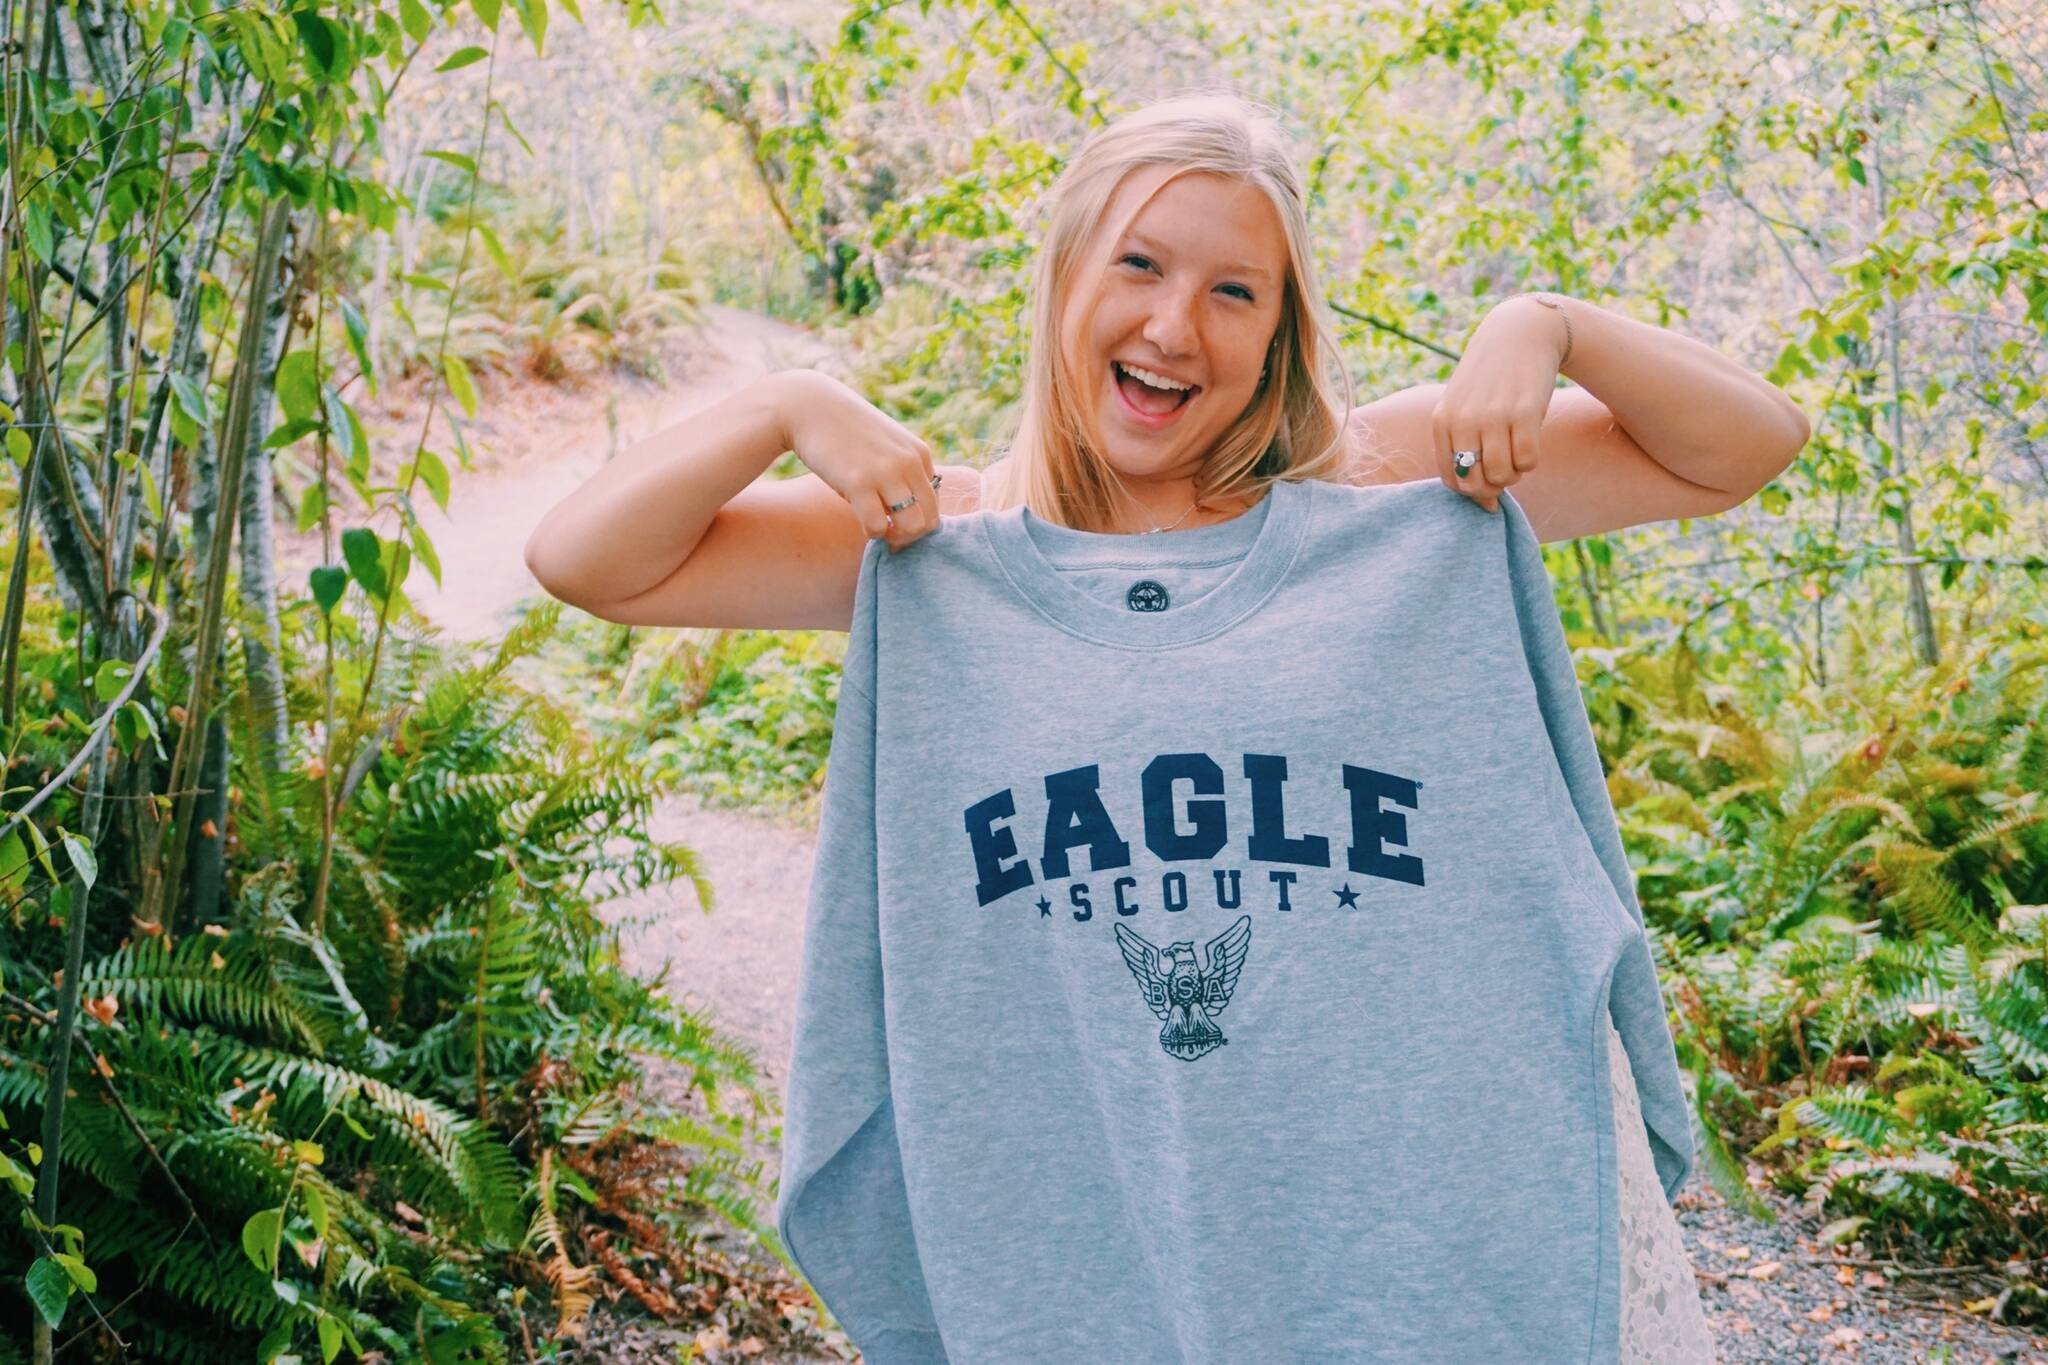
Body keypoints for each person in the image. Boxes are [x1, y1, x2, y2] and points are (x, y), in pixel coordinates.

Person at [527, 90, 1806, 1362]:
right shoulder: (933, 545)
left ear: (1280, 330)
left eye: (1233, 292)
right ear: (1063, 276)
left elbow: (1741, 448)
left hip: (1415, 1256)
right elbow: (588, 561)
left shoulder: (1383, 489)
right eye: (1138, 264)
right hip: (1101, 1246)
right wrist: (783, 405)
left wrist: (1552, 327)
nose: (1171, 326)